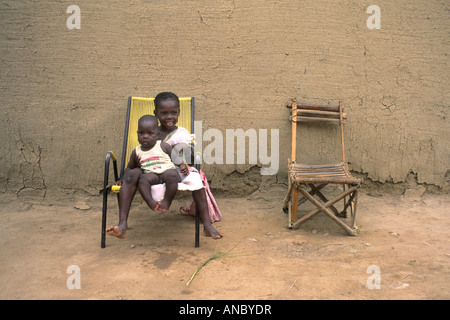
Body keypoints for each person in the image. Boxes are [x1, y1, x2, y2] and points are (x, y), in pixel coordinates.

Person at [154, 92, 223, 239]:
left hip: (175, 171)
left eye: (173, 112)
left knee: (196, 179)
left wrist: (181, 148)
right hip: (153, 172)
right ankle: (122, 224)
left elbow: (190, 159)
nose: (169, 117)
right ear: (156, 114)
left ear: (179, 113)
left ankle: (207, 225)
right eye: (164, 113)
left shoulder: (182, 133)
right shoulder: (151, 132)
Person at [106, 115, 185, 239]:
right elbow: (130, 167)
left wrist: (182, 165)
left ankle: (166, 202)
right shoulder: (137, 151)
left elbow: (175, 156)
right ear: (137, 134)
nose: (145, 136)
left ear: (157, 134)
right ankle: (146, 207)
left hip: (166, 172)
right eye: (141, 133)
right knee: (141, 179)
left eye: (150, 133)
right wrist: (122, 178)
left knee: (172, 174)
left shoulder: (163, 145)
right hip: (150, 174)